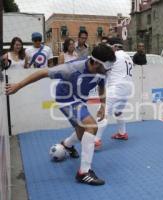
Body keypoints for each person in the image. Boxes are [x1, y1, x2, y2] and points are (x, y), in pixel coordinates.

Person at [6, 44, 116, 186]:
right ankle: (84, 173)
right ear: (95, 62)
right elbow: (43, 73)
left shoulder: (102, 70)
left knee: (83, 131)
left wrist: (103, 105)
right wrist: (18, 86)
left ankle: (67, 145)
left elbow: (101, 85)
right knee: (91, 126)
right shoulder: (70, 69)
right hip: (66, 99)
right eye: (106, 67)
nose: (108, 71)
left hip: (80, 100)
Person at [95, 37, 133, 148]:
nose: (108, 50)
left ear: (115, 46)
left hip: (116, 88)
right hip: (127, 89)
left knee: (101, 111)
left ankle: (96, 140)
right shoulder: (128, 57)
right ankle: (122, 133)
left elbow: (101, 69)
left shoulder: (114, 56)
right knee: (118, 111)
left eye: (109, 47)